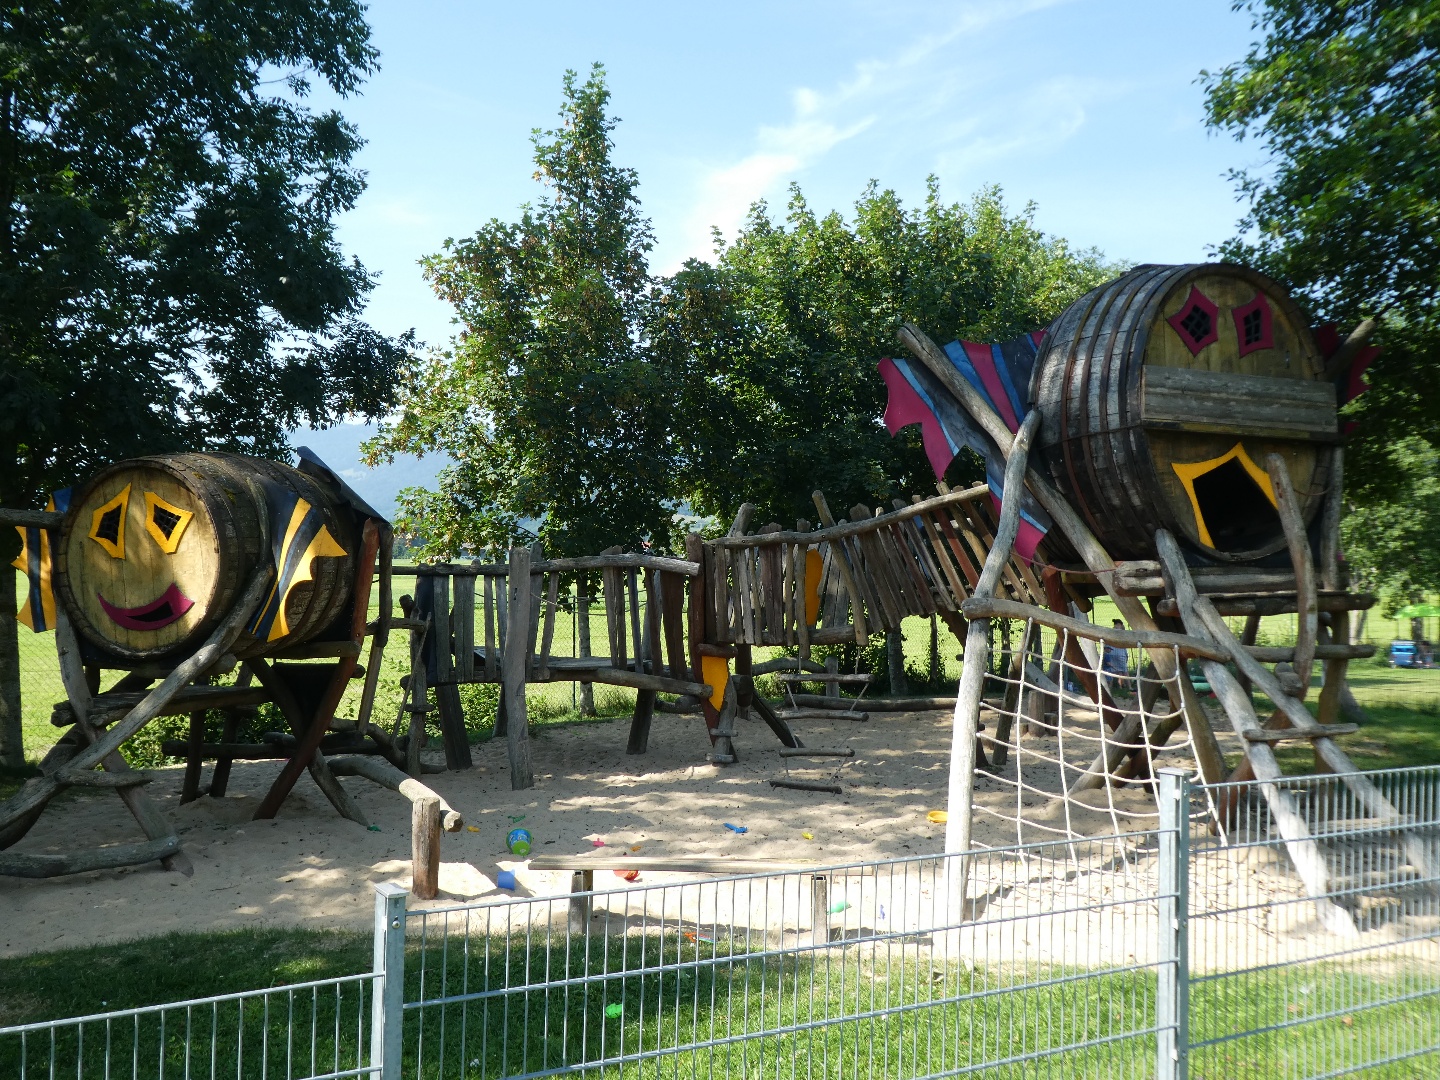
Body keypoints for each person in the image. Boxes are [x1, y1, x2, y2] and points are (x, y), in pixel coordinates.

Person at [1102, 618, 1130, 693]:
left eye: (1117, 624)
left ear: (1120, 625)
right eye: (1116, 624)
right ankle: (1125, 687)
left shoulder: (1114, 631)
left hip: (1116, 653)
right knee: (1122, 671)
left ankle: (1122, 687)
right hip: (1117, 653)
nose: (1116, 626)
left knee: (1121, 672)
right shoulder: (1120, 632)